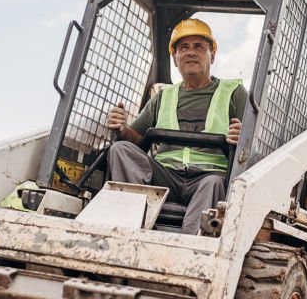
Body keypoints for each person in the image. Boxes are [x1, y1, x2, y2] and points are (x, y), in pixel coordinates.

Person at [106, 18, 248, 234]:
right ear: (174, 58)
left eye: (199, 46)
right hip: (166, 177)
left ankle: (190, 246)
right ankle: (128, 229)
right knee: (120, 149)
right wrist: (122, 128)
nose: (191, 52)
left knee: (214, 183)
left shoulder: (234, 93)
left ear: (212, 55)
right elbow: (136, 139)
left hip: (207, 178)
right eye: (184, 47)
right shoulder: (163, 97)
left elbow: (252, 146)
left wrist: (242, 136)